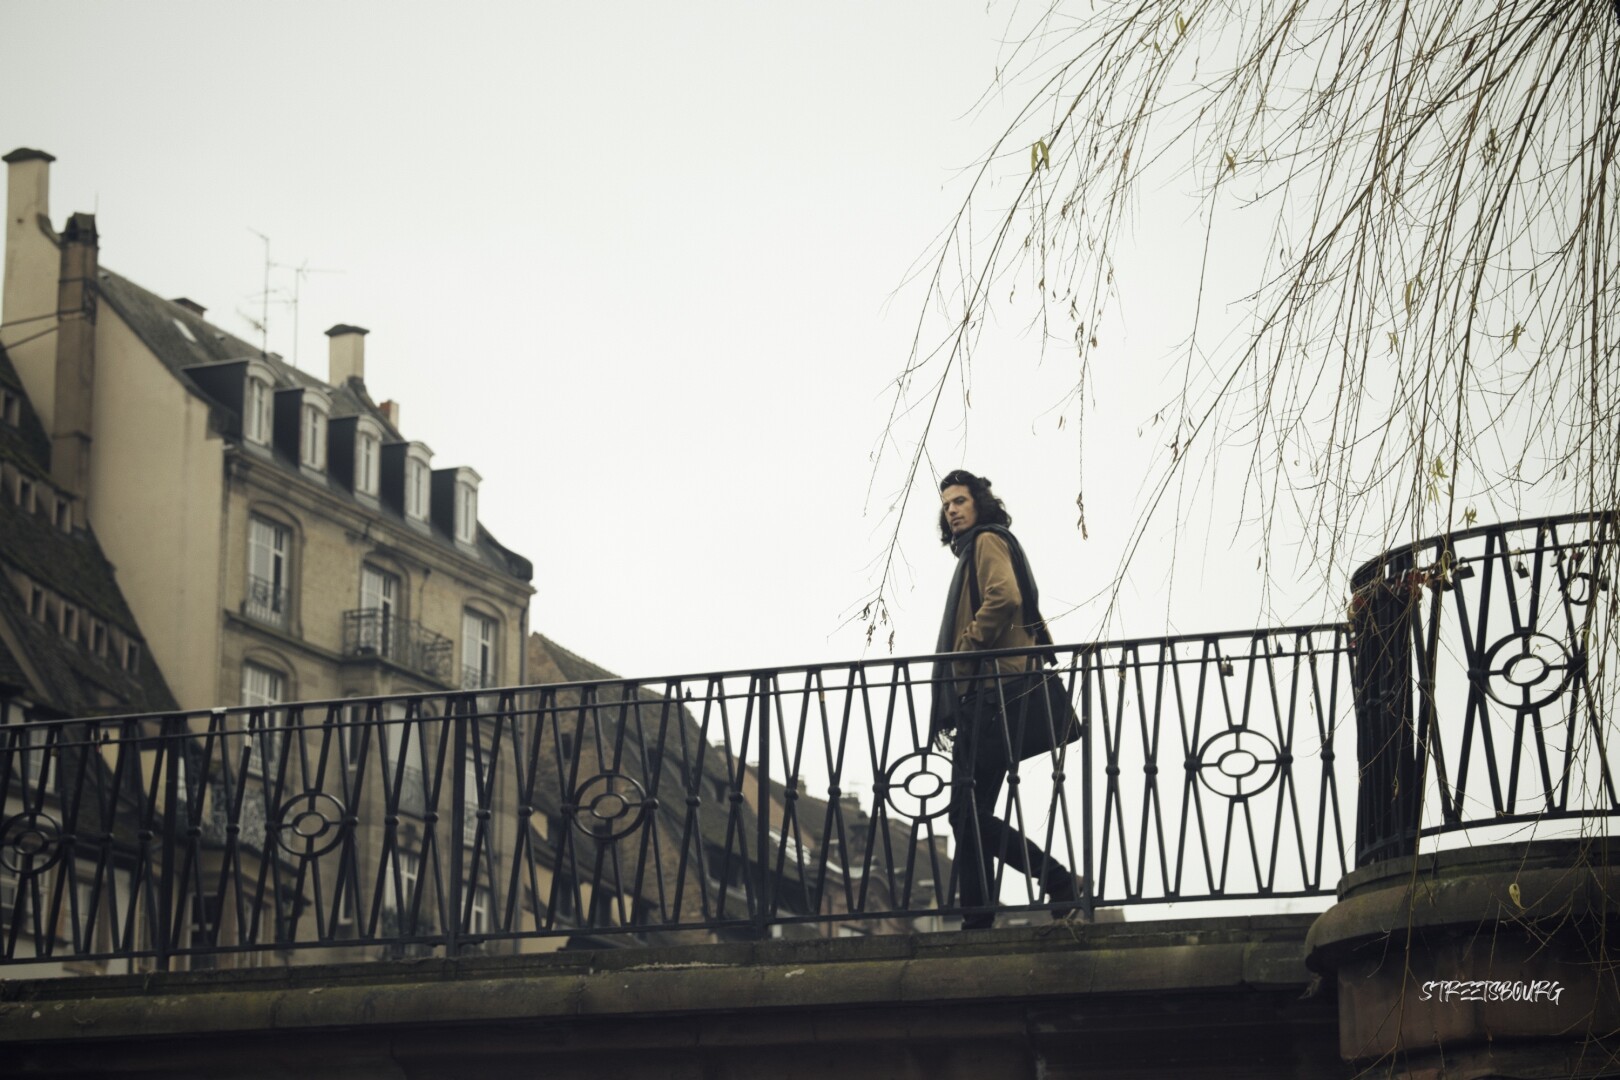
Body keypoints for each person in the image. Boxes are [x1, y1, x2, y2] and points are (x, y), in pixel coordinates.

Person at [929, 469, 1084, 929]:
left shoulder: (986, 542)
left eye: (960, 501)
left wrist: (966, 650)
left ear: (979, 503)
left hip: (994, 696)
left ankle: (1055, 881)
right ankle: (981, 914)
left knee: (965, 812)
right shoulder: (975, 548)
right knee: (969, 814)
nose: (952, 510)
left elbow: (1004, 595)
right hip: (990, 696)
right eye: (946, 505)